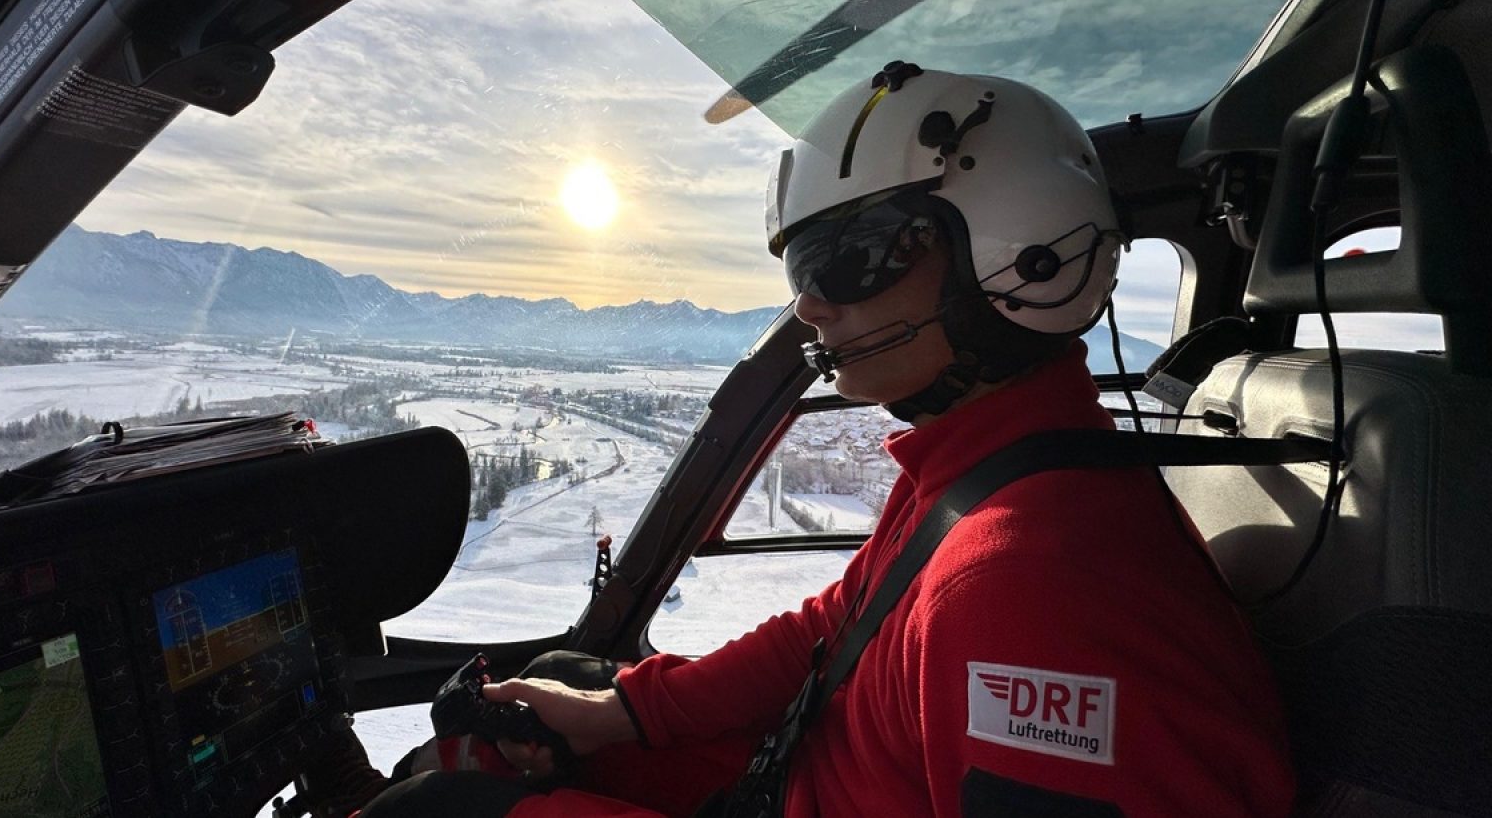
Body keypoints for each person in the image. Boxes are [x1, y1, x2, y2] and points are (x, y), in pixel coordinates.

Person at [359, 64, 1296, 818]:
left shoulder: (1033, 592)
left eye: (844, 260)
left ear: (1017, 250)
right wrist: (623, 714)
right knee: (560, 687)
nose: (810, 303)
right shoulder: (976, 472)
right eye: (807, 268)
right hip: (805, 773)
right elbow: (830, 632)